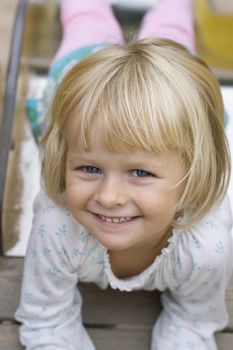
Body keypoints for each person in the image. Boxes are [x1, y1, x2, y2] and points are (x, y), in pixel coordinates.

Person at [15, 1, 233, 349]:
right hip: (79, 78)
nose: (108, 196)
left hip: (168, 98)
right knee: (87, 19)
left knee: (172, 35)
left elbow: (193, 320)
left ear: (192, 174)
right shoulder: (57, 224)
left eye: (140, 172)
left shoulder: (206, 245)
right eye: (89, 168)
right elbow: (47, 319)